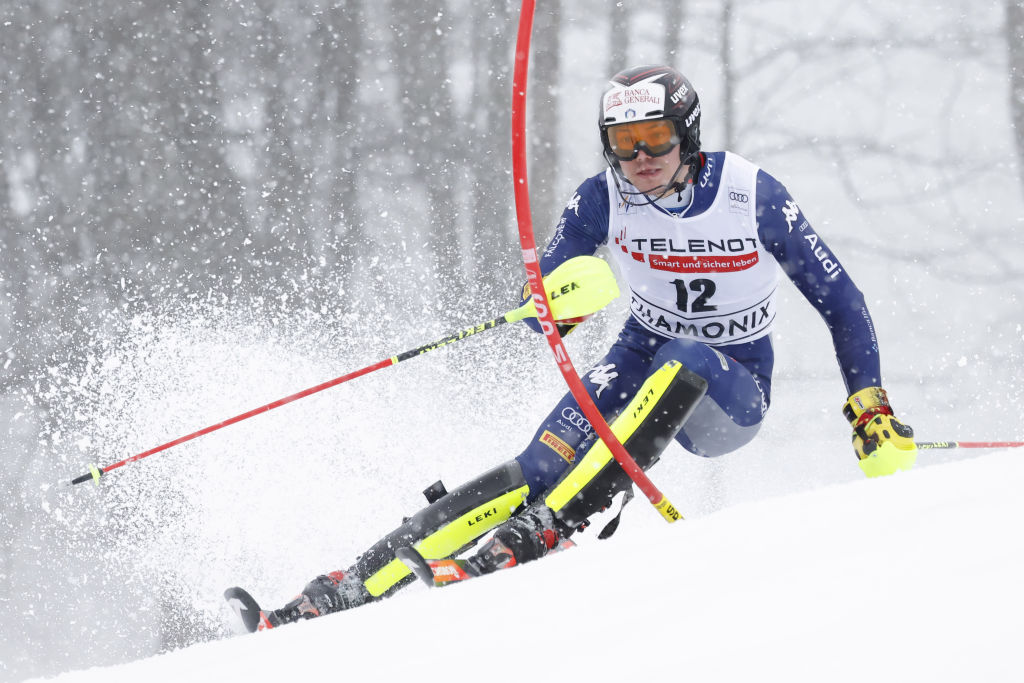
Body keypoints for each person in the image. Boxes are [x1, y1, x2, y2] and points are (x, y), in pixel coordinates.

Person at [234, 65, 917, 630]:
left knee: (688, 355)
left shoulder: (751, 194)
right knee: (536, 464)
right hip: (637, 354)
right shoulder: (603, 198)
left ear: (689, 136)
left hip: (732, 387)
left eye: (655, 138)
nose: (641, 158)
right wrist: (556, 306)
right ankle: (343, 588)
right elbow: (544, 309)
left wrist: (869, 403)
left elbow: (842, 301)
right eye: (624, 143)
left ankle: (550, 527)